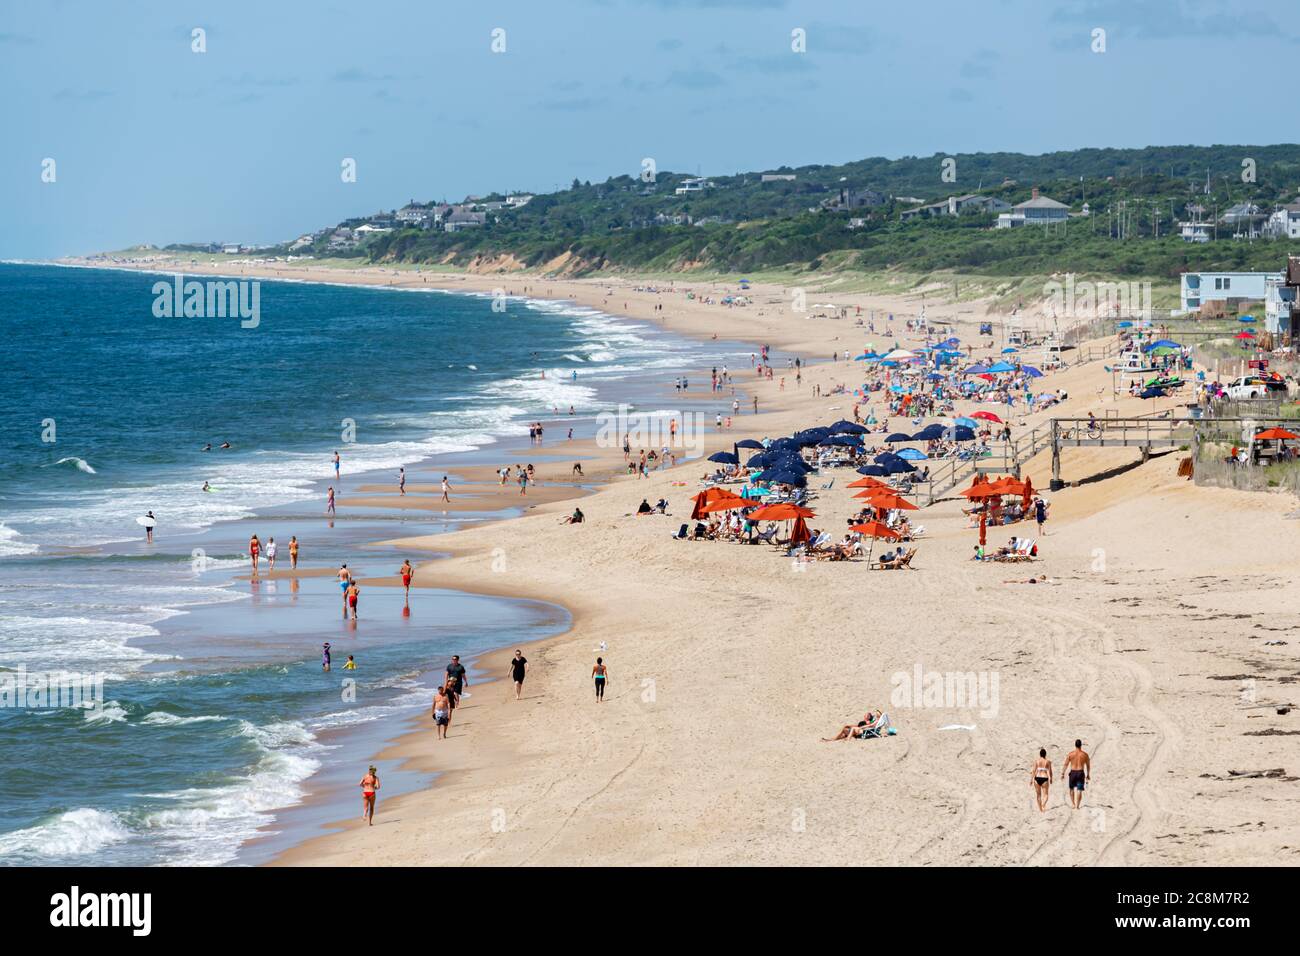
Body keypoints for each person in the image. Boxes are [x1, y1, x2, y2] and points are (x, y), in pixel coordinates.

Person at [1062, 739, 1091, 809]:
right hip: (1080, 772)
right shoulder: (1085, 755)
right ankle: (1077, 806)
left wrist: (1063, 773)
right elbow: (1088, 765)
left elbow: (1066, 764)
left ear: (1075, 745)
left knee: (1071, 789)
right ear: (1081, 745)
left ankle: (1073, 804)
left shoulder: (1070, 754)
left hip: (1073, 772)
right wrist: (1088, 774)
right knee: (1079, 790)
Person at [1031, 748, 1052, 812]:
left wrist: (1031, 779)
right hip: (1044, 777)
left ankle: (1040, 809)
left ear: (1040, 754)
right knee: (1046, 794)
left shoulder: (1036, 761)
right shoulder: (1048, 761)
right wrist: (1051, 778)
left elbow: (1033, 771)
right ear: (1045, 754)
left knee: (1038, 795)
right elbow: (1050, 771)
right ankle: (1043, 804)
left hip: (1037, 778)